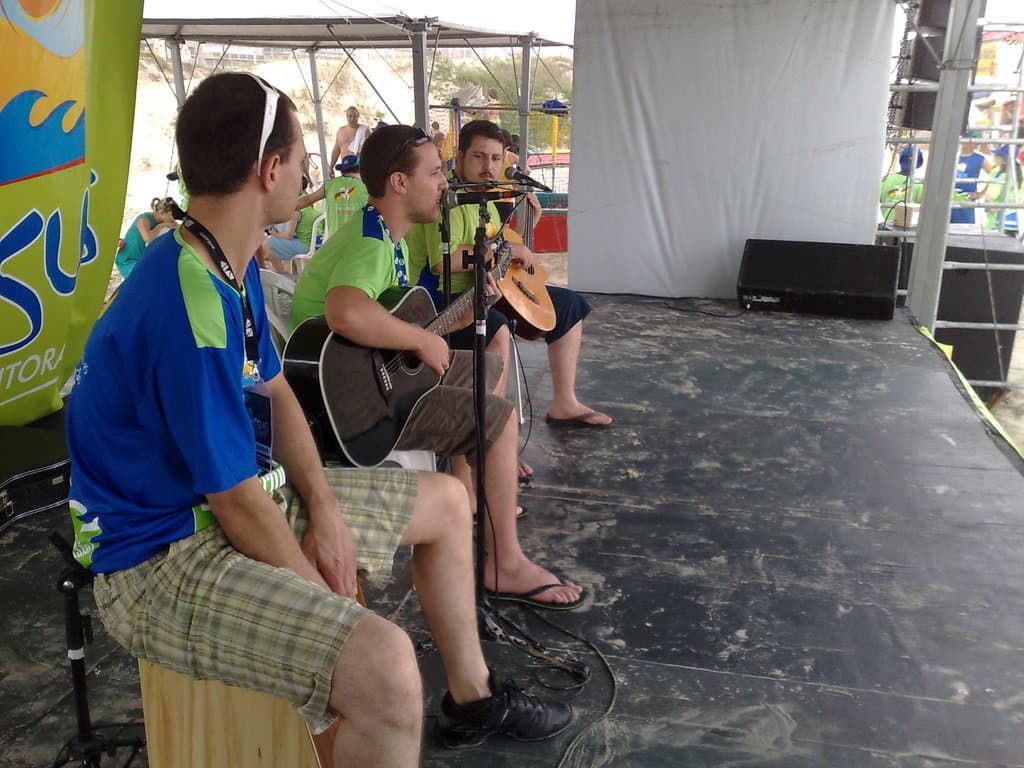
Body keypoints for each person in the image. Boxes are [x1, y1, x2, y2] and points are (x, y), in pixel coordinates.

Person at [66, 72, 574, 764]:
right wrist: (330, 606)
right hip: (160, 560)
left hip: (224, 510)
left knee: (452, 504)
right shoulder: (185, 301)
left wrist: (325, 505)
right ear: (267, 168)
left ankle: (472, 698)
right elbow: (237, 501)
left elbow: (275, 390)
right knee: (387, 666)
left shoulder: (225, 259)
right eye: (302, 155)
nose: (310, 169)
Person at [289, 124, 583, 611]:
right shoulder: (372, 243)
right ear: (400, 184)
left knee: (487, 375)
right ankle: (503, 562)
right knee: (500, 415)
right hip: (353, 401)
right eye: (434, 172)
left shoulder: (389, 236)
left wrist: (464, 313)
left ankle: (477, 486)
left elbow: (397, 327)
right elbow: (345, 312)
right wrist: (420, 337)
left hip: (369, 375)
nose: (445, 183)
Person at [406, 119, 612, 428]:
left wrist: (524, 230)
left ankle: (564, 402)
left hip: (486, 286)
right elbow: (443, 262)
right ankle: (493, 432)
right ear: (459, 156)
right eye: (478, 156)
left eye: (496, 158)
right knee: (496, 328)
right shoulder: (448, 197)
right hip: (442, 296)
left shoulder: (484, 195)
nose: (488, 166)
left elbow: (493, 242)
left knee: (569, 306)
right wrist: (503, 252)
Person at [297, 154, 368, 235]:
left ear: (342, 171)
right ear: (360, 169)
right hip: (360, 240)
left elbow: (307, 200)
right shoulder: (367, 187)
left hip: (335, 240)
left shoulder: (330, 185)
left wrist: (284, 208)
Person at [114, 196, 178, 279]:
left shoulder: (159, 221)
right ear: (162, 213)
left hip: (140, 259)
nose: (174, 219)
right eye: (172, 216)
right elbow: (148, 238)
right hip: (128, 260)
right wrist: (162, 225)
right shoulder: (144, 219)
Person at [952, 135, 994, 225]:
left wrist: (981, 193)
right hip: (949, 198)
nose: (963, 141)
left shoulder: (980, 159)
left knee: (964, 230)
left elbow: (995, 175)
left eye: (967, 138)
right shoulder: (952, 156)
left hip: (966, 200)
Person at [879, 145, 924, 225]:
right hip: (906, 228)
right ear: (919, 163)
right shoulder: (919, 184)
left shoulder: (886, 179)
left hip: (885, 226)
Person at [984, 144, 1019, 234]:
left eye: (997, 155)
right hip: (1014, 221)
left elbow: (990, 196)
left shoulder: (1002, 176)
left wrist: (988, 203)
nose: (994, 156)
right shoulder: (1018, 174)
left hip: (998, 221)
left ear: (1004, 160)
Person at [329, 106, 369, 176]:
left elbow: (372, 149)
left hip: (359, 167)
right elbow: (336, 150)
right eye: (350, 116)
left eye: (355, 116)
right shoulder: (341, 131)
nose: (352, 118)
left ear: (358, 116)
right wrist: (331, 167)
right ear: (346, 116)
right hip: (345, 167)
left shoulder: (365, 130)